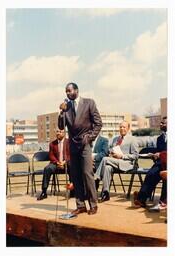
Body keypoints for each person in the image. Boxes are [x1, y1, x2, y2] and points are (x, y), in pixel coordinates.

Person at [58, 82, 102, 215]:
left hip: (85, 144)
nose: (67, 93)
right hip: (73, 144)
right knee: (76, 175)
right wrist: (61, 112)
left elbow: (98, 123)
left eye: (69, 91)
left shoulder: (89, 103)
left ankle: (93, 204)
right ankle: (80, 205)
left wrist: (90, 137)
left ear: (76, 90)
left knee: (87, 174)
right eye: (66, 91)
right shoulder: (67, 107)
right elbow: (61, 126)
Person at [95, 120, 139, 203]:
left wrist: (122, 156)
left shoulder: (133, 139)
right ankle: (105, 193)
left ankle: (97, 178)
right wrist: (111, 153)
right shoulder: (115, 139)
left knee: (105, 159)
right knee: (107, 167)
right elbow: (111, 150)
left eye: (124, 127)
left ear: (128, 128)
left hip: (127, 163)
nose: (122, 128)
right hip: (115, 162)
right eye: (120, 127)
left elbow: (136, 155)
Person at [134, 117, 167, 208]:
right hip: (160, 163)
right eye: (160, 123)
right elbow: (159, 150)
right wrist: (153, 154)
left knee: (165, 176)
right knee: (151, 174)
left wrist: (160, 153)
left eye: (163, 123)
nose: (160, 124)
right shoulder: (160, 138)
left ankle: (163, 200)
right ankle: (142, 199)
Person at [37, 128, 70, 200]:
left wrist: (64, 162)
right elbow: (51, 156)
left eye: (60, 131)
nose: (58, 133)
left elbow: (71, 155)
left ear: (64, 133)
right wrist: (57, 162)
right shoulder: (52, 144)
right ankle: (44, 192)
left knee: (73, 167)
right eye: (57, 131)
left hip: (67, 163)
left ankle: (73, 190)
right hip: (56, 163)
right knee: (47, 168)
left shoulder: (69, 142)